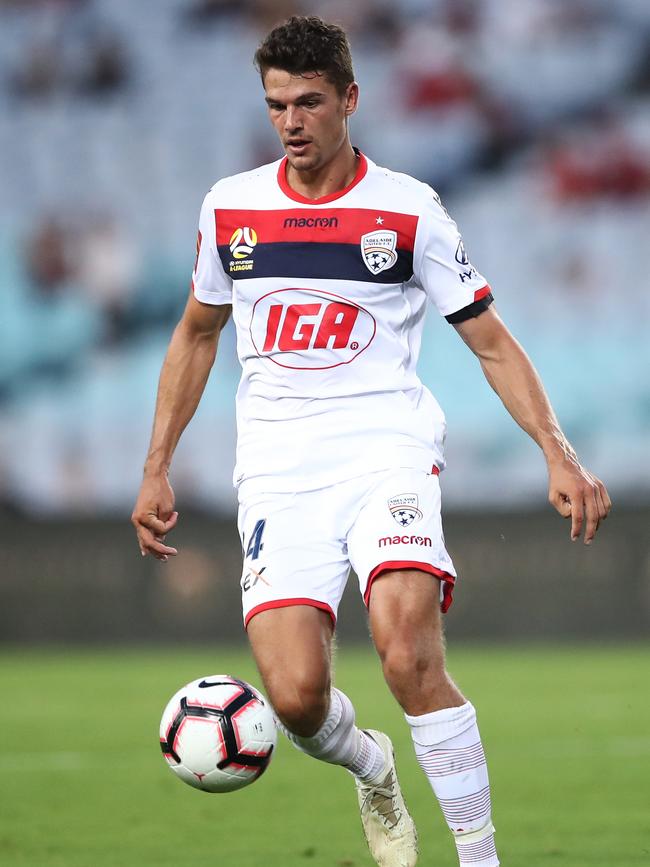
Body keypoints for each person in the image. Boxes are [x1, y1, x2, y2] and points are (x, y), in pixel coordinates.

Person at [132, 16, 611, 867]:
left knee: (404, 651)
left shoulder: (406, 208)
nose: (291, 120)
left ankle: (479, 858)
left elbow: (490, 339)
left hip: (385, 451)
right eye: (277, 103)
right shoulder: (231, 207)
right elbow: (197, 333)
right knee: (296, 695)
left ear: (350, 99)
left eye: (309, 101)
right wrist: (157, 463)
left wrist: (557, 450)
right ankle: (372, 764)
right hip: (278, 471)